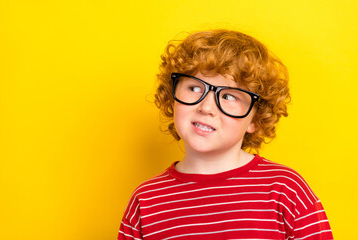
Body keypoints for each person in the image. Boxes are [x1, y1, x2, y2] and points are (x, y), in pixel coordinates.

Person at [118, 29, 333, 239]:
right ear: (172, 97)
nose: (206, 107)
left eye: (230, 96)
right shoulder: (145, 202)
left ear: (256, 119)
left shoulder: (286, 192)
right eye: (194, 88)